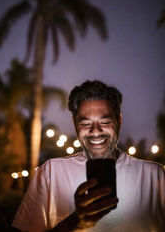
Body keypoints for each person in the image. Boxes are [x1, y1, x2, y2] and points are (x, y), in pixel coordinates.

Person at [12, 80, 165, 232]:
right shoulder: (51, 172)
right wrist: (74, 222)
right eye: (85, 124)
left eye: (105, 122)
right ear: (74, 124)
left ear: (119, 121)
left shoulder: (155, 175)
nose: (96, 131)